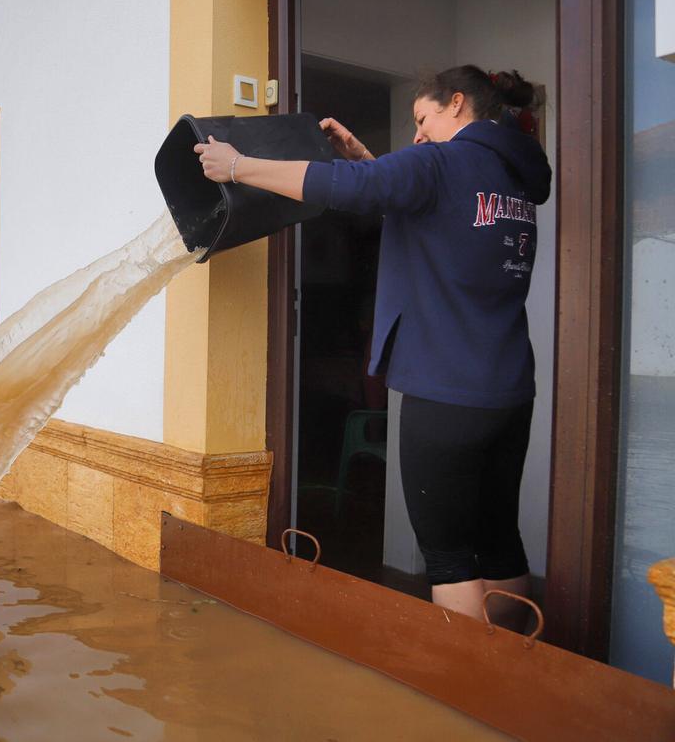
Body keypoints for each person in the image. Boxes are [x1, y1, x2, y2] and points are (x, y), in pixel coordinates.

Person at [194, 65, 551, 629]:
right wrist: (366, 158)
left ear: (456, 104)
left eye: (422, 118)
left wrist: (237, 166)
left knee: (449, 556)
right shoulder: (511, 175)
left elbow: (348, 191)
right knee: (499, 538)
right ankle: (522, 668)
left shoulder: (440, 163)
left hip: (446, 393)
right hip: (510, 392)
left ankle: (472, 687)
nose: (417, 133)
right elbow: (417, 202)